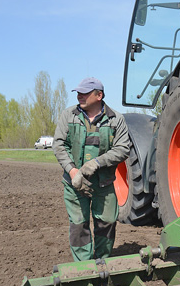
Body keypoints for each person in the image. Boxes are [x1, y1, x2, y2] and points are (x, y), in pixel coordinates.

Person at [53, 77, 130, 261]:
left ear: (99, 95)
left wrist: (96, 163)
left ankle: (102, 262)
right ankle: (84, 267)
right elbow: (59, 145)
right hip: (75, 183)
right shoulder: (68, 115)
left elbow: (123, 149)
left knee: (107, 222)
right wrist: (73, 171)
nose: (79, 96)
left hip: (103, 183)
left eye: (84, 93)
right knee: (79, 225)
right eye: (78, 92)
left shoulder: (116, 119)